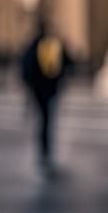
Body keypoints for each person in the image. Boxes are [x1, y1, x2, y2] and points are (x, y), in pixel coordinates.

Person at [20, 17, 72, 171]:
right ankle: (46, 150)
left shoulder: (33, 46)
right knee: (47, 120)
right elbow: (67, 63)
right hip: (50, 90)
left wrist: (28, 88)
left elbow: (25, 69)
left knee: (44, 120)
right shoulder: (52, 45)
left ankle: (44, 150)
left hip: (38, 90)